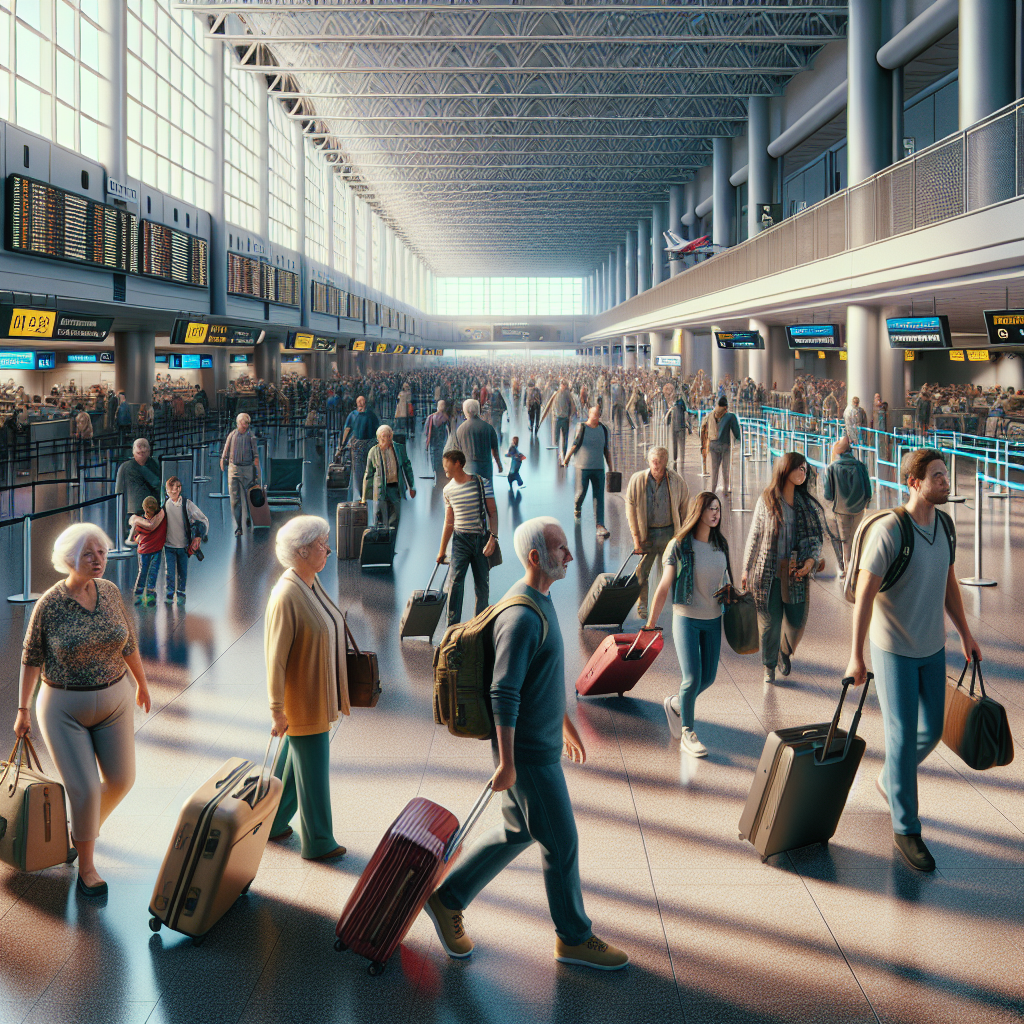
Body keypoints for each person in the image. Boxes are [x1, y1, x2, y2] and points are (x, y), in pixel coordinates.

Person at [424, 517, 629, 971]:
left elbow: (541, 680)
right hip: (529, 757)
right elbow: (504, 692)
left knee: (518, 831)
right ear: (536, 557)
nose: (570, 555)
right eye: (561, 549)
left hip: (538, 745)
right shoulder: (520, 616)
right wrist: (509, 762)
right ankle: (573, 937)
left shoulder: (541, 600)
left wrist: (565, 725)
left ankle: (448, 899)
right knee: (563, 843)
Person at [845, 449, 979, 873]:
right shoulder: (890, 532)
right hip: (893, 650)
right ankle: (907, 828)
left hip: (932, 647)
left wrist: (965, 633)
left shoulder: (946, 527)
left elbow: (948, 583)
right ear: (914, 483)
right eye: (937, 476)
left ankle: (890, 779)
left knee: (932, 731)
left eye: (945, 475)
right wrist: (856, 655)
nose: (945, 481)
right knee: (903, 737)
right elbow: (864, 597)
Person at [14, 524, 152, 897]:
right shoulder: (49, 604)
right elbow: (30, 658)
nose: (98, 560)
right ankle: (87, 867)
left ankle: (80, 831)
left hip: (115, 699)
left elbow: (129, 643)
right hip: (64, 708)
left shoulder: (109, 592)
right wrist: (22, 709)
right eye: (89, 553)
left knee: (122, 780)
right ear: (70, 558)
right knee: (88, 790)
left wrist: (141, 684)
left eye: (102, 552)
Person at [266, 516, 348, 861]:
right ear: (301, 551)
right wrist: (276, 708)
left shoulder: (309, 582)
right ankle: (318, 841)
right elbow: (275, 656)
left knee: (293, 762)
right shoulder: (287, 594)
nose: (327, 549)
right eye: (320, 544)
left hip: (315, 693)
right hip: (303, 700)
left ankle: (271, 821)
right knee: (313, 771)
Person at [646, 493, 731, 758]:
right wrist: (651, 623)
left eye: (718, 509)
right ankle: (687, 733)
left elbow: (724, 581)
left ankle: (676, 703)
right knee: (692, 678)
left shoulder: (721, 544)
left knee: (709, 678)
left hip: (714, 618)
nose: (715, 514)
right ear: (698, 511)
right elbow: (664, 586)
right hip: (686, 618)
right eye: (710, 509)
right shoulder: (679, 545)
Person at [741, 452, 823, 684]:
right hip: (766, 575)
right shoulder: (767, 500)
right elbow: (754, 536)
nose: (802, 473)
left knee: (796, 621)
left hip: (795, 575)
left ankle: (784, 652)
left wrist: (810, 562)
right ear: (785, 470)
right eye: (798, 468)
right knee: (769, 623)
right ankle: (768, 666)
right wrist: (746, 568)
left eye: (805, 469)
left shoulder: (805, 504)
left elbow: (815, 540)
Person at [625, 446, 689, 620]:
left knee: (676, 570)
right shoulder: (637, 480)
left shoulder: (676, 480)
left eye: (659, 461)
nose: (656, 465)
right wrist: (637, 539)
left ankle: (679, 604)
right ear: (648, 461)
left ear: (665, 462)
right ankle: (643, 604)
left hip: (670, 533)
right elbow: (630, 509)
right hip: (648, 535)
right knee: (642, 572)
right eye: (653, 461)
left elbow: (684, 508)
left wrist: (682, 536)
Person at [436, 448, 498, 628]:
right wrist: (442, 551)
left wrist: (493, 538)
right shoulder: (448, 490)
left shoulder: (481, 483)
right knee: (455, 584)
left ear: (458, 463)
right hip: (460, 540)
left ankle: (479, 628)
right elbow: (448, 523)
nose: (444, 468)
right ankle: (452, 629)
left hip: (481, 539)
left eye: (446, 464)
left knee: (482, 585)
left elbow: (492, 512)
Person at [822, 437, 873, 577]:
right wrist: (866, 501)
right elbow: (868, 489)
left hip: (841, 509)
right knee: (856, 536)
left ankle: (846, 569)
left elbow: (828, 494)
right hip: (859, 507)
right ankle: (857, 568)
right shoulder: (861, 466)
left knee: (845, 539)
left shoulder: (832, 468)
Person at [562, 406, 613, 539]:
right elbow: (574, 444)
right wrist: (566, 460)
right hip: (582, 467)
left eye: (597, 415)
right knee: (581, 493)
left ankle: (600, 525)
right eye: (593, 414)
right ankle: (577, 506)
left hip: (598, 468)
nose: (595, 417)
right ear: (589, 415)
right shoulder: (582, 427)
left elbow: (606, 449)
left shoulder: (603, 429)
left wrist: (611, 468)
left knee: (599, 497)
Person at [162, 476, 208, 606]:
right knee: (169, 571)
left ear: (180, 489)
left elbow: (202, 519)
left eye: (175, 491)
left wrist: (199, 535)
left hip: (182, 545)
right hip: (169, 545)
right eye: (170, 491)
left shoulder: (187, 504)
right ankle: (170, 593)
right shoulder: (165, 504)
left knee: (182, 570)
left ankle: (181, 592)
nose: (172, 494)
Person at [362, 424, 416, 530]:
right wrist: (364, 496)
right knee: (379, 518)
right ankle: (381, 540)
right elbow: (368, 474)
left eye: (388, 436)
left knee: (395, 518)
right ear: (378, 438)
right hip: (380, 489)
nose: (385, 439)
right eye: (382, 437)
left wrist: (411, 487)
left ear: (391, 436)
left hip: (395, 488)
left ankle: (392, 541)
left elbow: (407, 468)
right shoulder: (373, 452)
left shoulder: (399, 448)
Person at [221, 412, 261, 537]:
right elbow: (226, 451)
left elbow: (255, 455)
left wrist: (257, 470)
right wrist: (223, 460)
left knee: (249, 496)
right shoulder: (232, 435)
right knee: (235, 499)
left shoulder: (251, 437)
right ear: (239, 423)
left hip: (247, 469)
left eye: (248, 423)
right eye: (245, 422)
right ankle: (239, 526)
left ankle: (249, 517)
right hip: (234, 469)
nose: (247, 425)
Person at [114, 438, 161, 533]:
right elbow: (118, 492)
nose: (142, 451)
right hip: (131, 511)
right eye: (138, 448)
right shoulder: (125, 467)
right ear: (133, 451)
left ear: (149, 451)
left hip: (151, 510)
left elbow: (157, 483)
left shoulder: (153, 465)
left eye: (145, 448)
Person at [129, 495, 167, 606]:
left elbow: (134, 536)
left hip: (147, 550)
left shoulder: (140, 521)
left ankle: (140, 594)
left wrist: (137, 539)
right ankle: (146, 594)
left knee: (146, 572)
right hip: (151, 550)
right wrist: (137, 539)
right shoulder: (159, 520)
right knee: (148, 572)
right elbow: (136, 536)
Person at [340, 395, 381, 498]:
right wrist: (342, 444)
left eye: (362, 401)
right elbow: (347, 429)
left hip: (369, 444)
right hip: (357, 445)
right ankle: (358, 494)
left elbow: (377, 429)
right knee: (357, 472)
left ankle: (367, 492)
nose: (361, 403)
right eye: (359, 401)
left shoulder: (371, 415)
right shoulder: (353, 415)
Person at [455, 399, 502, 482]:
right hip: (486, 467)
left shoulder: (460, 429)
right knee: (487, 491)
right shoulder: (488, 428)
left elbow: (457, 451)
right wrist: (499, 465)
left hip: (468, 468)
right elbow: (494, 449)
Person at [703, 396, 741, 495]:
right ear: (726, 407)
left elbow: (703, 428)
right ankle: (725, 489)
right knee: (725, 468)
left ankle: (713, 489)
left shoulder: (711, 414)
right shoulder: (730, 416)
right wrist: (739, 439)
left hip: (712, 444)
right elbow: (736, 431)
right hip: (725, 445)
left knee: (714, 469)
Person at [543, 380, 577, 458]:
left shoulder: (558, 394)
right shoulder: (568, 395)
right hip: (563, 419)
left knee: (558, 438)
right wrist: (570, 416)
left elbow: (550, 405)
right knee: (563, 438)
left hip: (558, 419)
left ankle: (558, 455)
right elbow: (572, 407)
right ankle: (562, 455)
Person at [663, 383, 690, 467]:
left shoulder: (680, 401)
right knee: (675, 443)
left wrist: (686, 422)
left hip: (680, 425)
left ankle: (681, 459)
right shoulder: (668, 402)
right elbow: (666, 414)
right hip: (674, 425)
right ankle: (675, 459)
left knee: (681, 444)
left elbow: (686, 411)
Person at [424, 400, 451, 474]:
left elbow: (426, 432)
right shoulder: (447, 418)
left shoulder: (430, 418)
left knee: (434, 459)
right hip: (443, 444)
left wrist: (426, 444)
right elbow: (449, 433)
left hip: (433, 443)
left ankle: (435, 473)